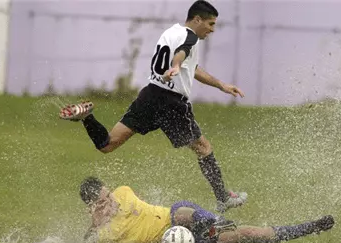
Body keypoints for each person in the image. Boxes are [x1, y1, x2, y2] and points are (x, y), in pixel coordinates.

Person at [59, 0, 246, 213]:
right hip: (172, 102)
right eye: (210, 24)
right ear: (197, 19)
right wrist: (176, 65)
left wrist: (220, 84)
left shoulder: (171, 32)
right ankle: (223, 198)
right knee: (203, 148)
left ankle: (87, 117)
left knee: (107, 145)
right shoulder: (190, 37)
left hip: (150, 96)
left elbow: (190, 66)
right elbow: (183, 54)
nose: (212, 30)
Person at [79, 177, 335, 243]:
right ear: (92, 208)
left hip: (175, 217)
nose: (110, 201)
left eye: (108, 195)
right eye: (103, 202)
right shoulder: (105, 236)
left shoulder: (123, 192)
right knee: (252, 234)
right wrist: (95, 225)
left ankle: (216, 221)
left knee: (182, 213)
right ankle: (313, 227)